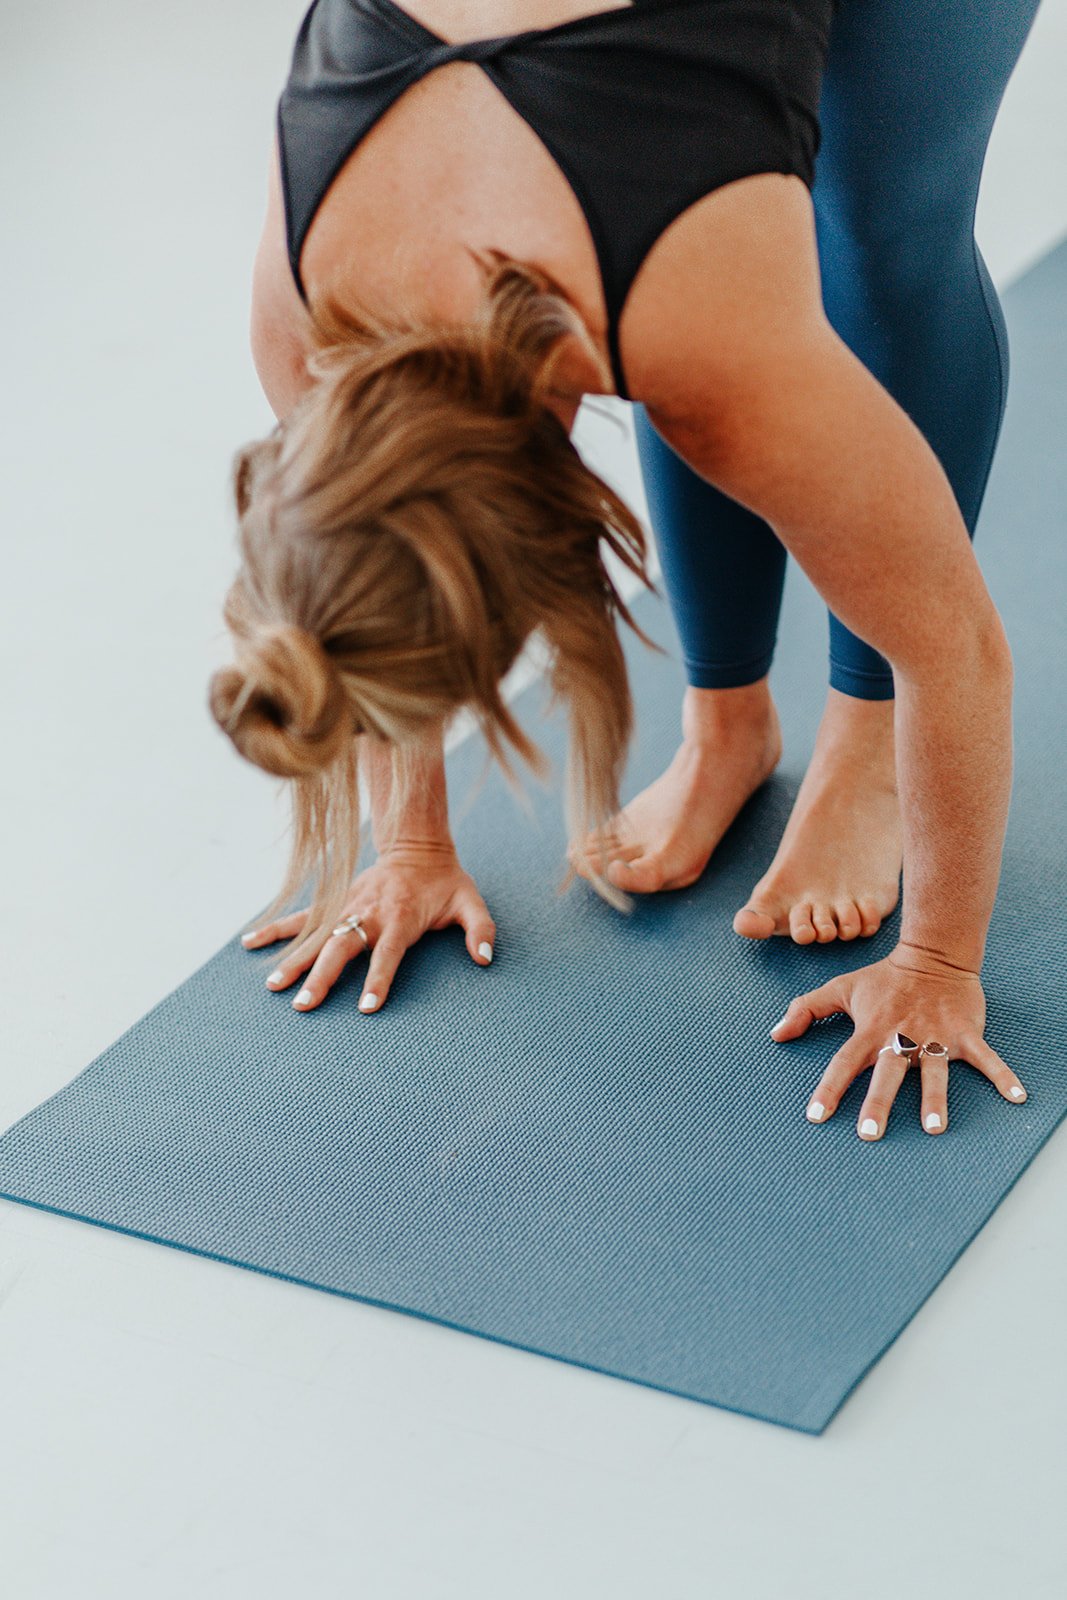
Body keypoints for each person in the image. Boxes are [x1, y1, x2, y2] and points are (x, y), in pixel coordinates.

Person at [210, 0, 1036, 1139]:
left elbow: (958, 649)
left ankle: (863, 749)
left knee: (882, 231)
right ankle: (725, 725)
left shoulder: (696, 316)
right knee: (666, 327)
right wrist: (406, 838)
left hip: (664, 236)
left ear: (558, 543)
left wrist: (938, 962)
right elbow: (369, 564)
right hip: (625, 180)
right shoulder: (303, 315)